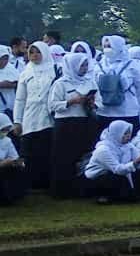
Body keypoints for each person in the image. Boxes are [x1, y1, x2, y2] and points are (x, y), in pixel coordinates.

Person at [48, 51, 97, 197]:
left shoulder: (90, 81)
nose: (84, 68)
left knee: (82, 155)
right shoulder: (60, 83)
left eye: (86, 65)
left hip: (84, 121)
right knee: (63, 157)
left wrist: (92, 103)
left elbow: (99, 101)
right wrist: (70, 102)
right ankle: (62, 190)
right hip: (66, 123)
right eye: (82, 65)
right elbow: (52, 105)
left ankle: (82, 189)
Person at [12, 40, 56, 189]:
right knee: (29, 149)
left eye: (38, 52)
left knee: (46, 149)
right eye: (31, 52)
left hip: (48, 116)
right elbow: (20, 99)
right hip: (30, 115)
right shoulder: (26, 72)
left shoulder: (54, 70)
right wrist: (17, 120)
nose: (35, 55)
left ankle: (45, 183)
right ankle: (30, 183)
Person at [82, 120, 140, 203]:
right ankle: (103, 196)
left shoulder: (129, 146)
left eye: (129, 133)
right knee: (114, 178)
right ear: (116, 133)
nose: (128, 136)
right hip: (100, 177)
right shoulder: (103, 149)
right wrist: (139, 160)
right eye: (125, 133)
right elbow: (118, 169)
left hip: (120, 175)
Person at [94, 35, 140, 129]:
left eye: (109, 46)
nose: (107, 49)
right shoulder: (99, 65)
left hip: (126, 111)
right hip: (104, 112)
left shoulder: (131, 65)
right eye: (105, 46)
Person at [0, 114, 27, 205]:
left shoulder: (7, 141)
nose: (5, 132)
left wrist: (17, 162)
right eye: (3, 129)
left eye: (7, 130)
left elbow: (15, 157)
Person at [0, 47, 18, 119]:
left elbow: (17, 82)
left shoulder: (10, 68)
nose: (5, 61)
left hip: (10, 107)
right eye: (2, 58)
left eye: (6, 58)